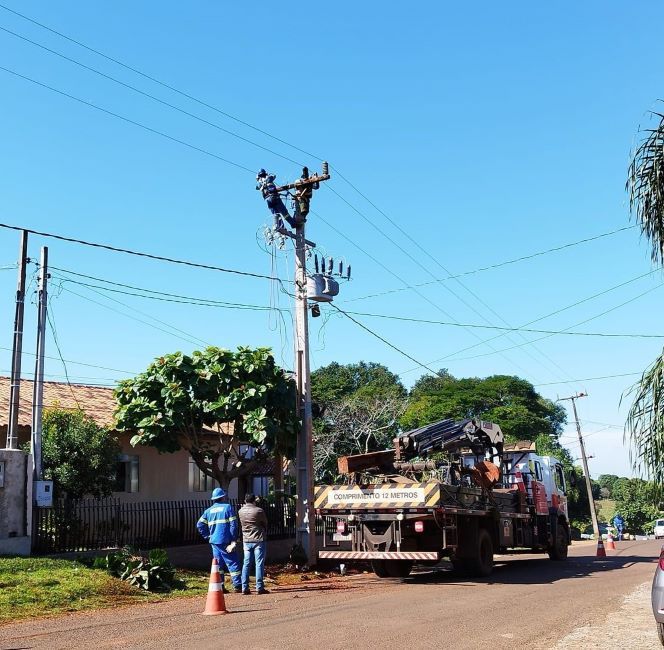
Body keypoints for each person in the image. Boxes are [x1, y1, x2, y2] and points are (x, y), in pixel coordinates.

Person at [196, 487, 242, 593]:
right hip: (225, 540)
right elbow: (233, 525)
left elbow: (199, 525)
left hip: (214, 541)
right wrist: (233, 540)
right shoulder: (227, 508)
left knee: (218, 564)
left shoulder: (208, 511)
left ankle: (220, 585)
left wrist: (207, 536)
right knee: (232, 562)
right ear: (222, 497)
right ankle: (238, 585)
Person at [238, 493, 269, 595]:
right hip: (258, 539)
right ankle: (259, 587)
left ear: (245, 501)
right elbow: (265, 523)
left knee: (246, 563)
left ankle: (244, 587)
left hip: (246, 540)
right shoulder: (259, 511)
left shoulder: (240, 511)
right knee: (259, 563)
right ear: (254, 501)